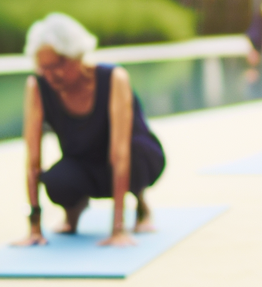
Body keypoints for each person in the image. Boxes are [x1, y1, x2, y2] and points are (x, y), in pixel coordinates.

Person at [13, 13, 165, 247]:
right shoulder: (37, 86)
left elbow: (120, 153)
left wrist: (117, 229)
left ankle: (141, 203)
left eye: (57, 66)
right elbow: (32, 159)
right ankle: (74, 210)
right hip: (84, 160)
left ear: (76, 56)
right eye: (44, 69)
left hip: (133, 157)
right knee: (55, 180)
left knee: (134, 158)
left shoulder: (114, 78)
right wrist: (34, 227)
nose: (51, 76)